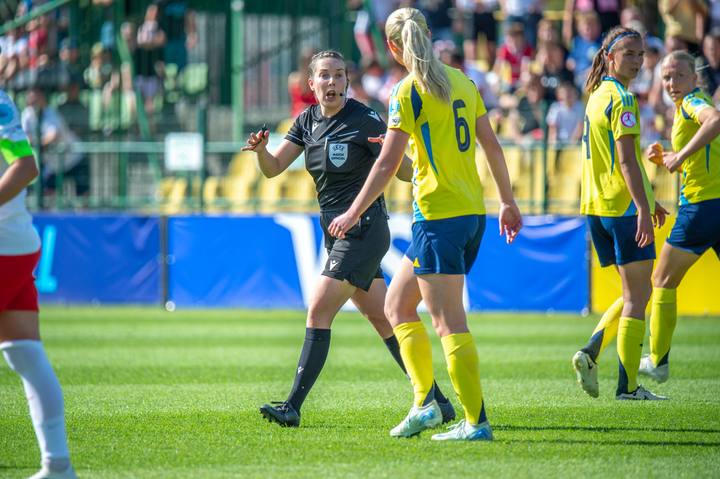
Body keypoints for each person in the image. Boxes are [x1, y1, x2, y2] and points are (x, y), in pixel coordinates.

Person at [328, 8, 523, 441]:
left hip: (438, 218)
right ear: (429, 35)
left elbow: (385, 166)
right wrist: (507, 202)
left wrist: (352, 212)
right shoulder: (463, 82)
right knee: (397, 306)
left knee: (448, 322)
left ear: (392, 47)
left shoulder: (406, 91)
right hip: (469, 214)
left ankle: (476, 422)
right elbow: (491, 146)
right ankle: (425, 405)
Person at [242, 50, 455, 428]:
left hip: (364, 230)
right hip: (336, 232)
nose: (333, 82)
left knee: (318, 310)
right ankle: (438, 401)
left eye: (339, 75)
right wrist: (261, 152)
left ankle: (292, 406)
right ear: (311, 84)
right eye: (325, 75)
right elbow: (273, 169)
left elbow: (401, 172)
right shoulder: (306, 121)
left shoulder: (364, 118)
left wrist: (408, 156)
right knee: (383, 320)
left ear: (346, 81)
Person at [571, 27, 669, 401]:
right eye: (629, 53)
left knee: (634, 293)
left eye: (641, 54)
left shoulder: (596, 95)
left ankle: (591, 353)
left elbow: (617, 160)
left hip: (597, 208)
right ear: (609, 57)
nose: (637, 61)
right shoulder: (623, 99)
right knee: (638, 296)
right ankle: (626, 386)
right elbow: (626, 161)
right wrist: (642, 207)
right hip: (623, 209)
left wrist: (649, 200)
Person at [0, 89, 77, 478]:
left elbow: (25, 166)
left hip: (2, 244)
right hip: (16, 241)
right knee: (24, 352)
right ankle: (57, 465)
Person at [638, 51, 720, 383]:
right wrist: (669, 158)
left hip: (700, 207)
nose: (672, 83)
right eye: (666, 77)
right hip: (714, 202)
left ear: (694, 77)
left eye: (679, 75)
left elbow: (715, 120)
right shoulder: (687, 106)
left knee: (661, 279)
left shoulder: (692, 103)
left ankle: (658, 360)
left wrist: (680, 155)